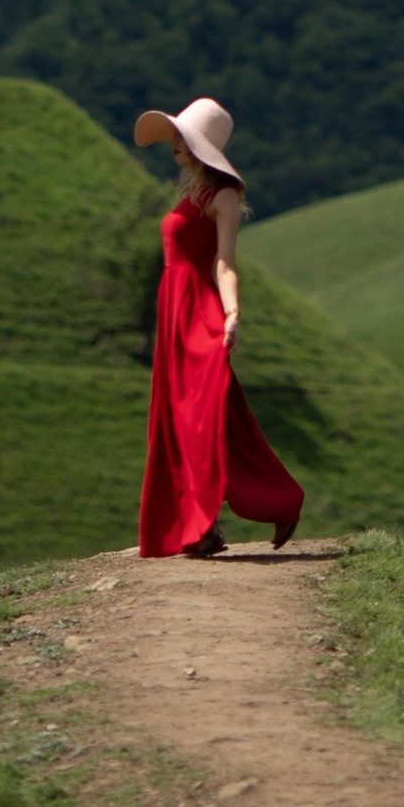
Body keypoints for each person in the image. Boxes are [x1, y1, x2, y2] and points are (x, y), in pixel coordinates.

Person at [132, 95, 304, 558]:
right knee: (186, 420)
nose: (175, 145)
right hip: (173, 313)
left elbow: (224, 264)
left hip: (199, 313)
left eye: (184, 138)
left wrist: (232, 314)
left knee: (202, 418)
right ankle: (210, 524)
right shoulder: (188, 192)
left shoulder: (223, 197)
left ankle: (212, 521)